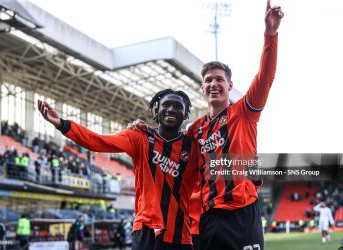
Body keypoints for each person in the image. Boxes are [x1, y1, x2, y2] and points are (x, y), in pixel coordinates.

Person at [129, 1, 283, 249]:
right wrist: (145, 130)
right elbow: (168, 144)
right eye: (208, 80)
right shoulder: (195, 129)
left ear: (230, 86)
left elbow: (265, 76)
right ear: (202, 87)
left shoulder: (244, 112)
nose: (214, 84)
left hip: (242, 213)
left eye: (220, 80)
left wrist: (271, 34)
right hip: (209, 218)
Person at [38, 89, 199, 250]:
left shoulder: (194, 146)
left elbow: (220, 171)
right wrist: (62, 124)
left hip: (180, 234)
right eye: (166, 105)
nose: (171, 109)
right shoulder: (140, 137)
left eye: (178, 106)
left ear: (185, 115)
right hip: (146, 230)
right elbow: (97, 141)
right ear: (157, 110)